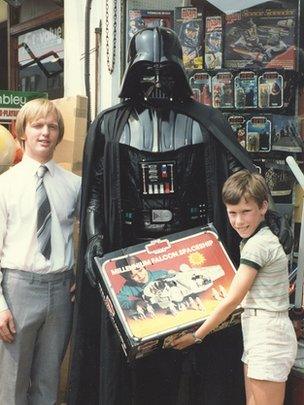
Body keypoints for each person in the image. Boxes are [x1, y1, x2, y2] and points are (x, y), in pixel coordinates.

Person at [69, 27, 292, 405]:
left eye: (164, 73)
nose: (156, 83)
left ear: (178, 72)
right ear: (131, 74)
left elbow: (241, 178)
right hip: (133, 254)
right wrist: (93, 239)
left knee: (199, 356)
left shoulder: (206, 122)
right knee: (136, 360)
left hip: (194, 254)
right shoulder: (110, 124)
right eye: (147, 73)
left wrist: (266, 222)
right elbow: (94, 195)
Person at [171, 170, 297, 405]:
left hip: (268, 335)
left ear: (263, 207)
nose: (239, 221)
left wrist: (196, 336)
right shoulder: (257, 239)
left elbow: (232, 300)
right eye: (233, 213)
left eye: (246, 212)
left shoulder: (257, 245)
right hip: (259, 332)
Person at [0, 98, 81, 405]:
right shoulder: (5, 186)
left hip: (60, 292)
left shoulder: (73, 184)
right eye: (37, 126)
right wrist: (0, 306)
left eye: (52, 126)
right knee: (12, 385)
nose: (45, 132)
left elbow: (85, 232)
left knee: (48, 385)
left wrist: (77, 274)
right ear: (22, 131)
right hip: (18, 289)